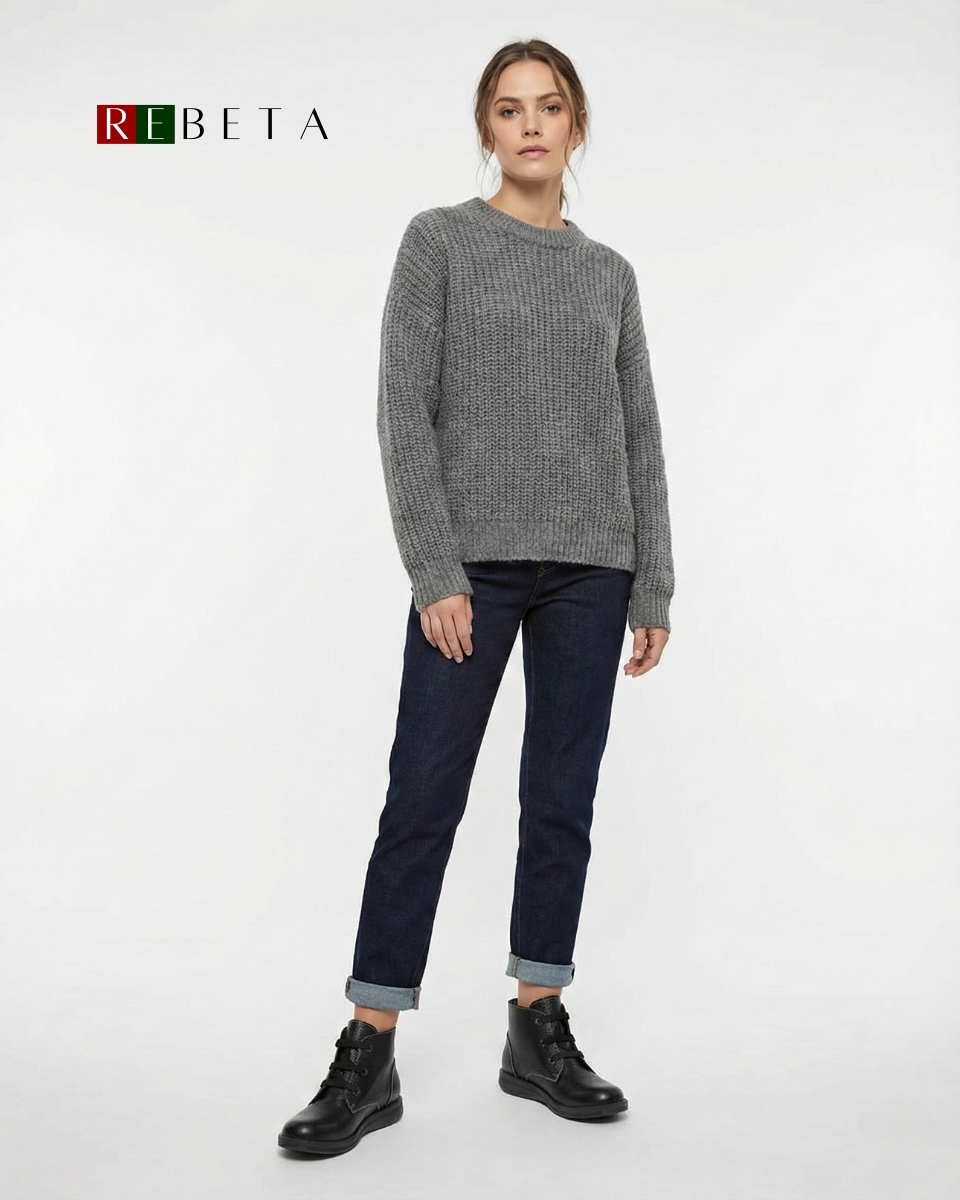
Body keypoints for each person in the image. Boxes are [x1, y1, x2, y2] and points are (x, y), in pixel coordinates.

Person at [278, 37, 674, 1156]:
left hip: (593, 568)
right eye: (510, 108)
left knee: (560, 798)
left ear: (577, 124)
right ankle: (369, 1045)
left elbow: (640, 431)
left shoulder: (610, 274)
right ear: (487, 128)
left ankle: (536, 1023)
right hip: (476, 570)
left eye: (550, 106)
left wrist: (654, 577)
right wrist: (435, 570)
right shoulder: (439, 242)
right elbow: (403, 410)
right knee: (423, 794)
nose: (531, 124)